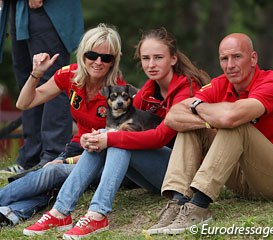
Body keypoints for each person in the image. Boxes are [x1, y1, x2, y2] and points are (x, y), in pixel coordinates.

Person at [23, 27, 211, 239]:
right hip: (157, 177)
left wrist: (108, 137)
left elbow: (161, 137)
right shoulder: (146, 91)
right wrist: (92, 138)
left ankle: (97, 214)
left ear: (173, 59)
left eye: (158, 57)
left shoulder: (187, 88)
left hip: (186, 176)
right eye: (146, 58)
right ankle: (60, 212)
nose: (151, 64)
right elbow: (122, 127)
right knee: (112, 136)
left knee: (116, 139)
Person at [146, 33, 273, 235]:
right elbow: (173, 116)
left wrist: (197, 105)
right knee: (191, 127)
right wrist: (206, 119)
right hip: (243, 180)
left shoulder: (269, 84)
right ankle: (178, 202)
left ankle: (199, 207)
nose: (230, 65)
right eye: (224, 58)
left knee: (236, 126)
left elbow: (231, 118)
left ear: (253, 58)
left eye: (237, 57)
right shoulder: (220, 83)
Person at [0, 23, 124, 228]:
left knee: (52, 173)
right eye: (92, 55)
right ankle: (12, 212)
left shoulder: (118, 93)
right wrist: (36, 74)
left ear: (114, 61)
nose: (98, 62)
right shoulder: (70, 75)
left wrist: (65, 163)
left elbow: (113, 146)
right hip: (77, 148)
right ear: (83, 54)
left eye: (107, 58)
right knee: (55, 182)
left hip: (101, 158)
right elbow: (24, 103)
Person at [0, 0, 83, 173]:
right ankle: (29, 158)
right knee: (28, 81)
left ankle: (54, 156)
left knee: (54, 82)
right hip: (17, 9)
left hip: (47, 9)